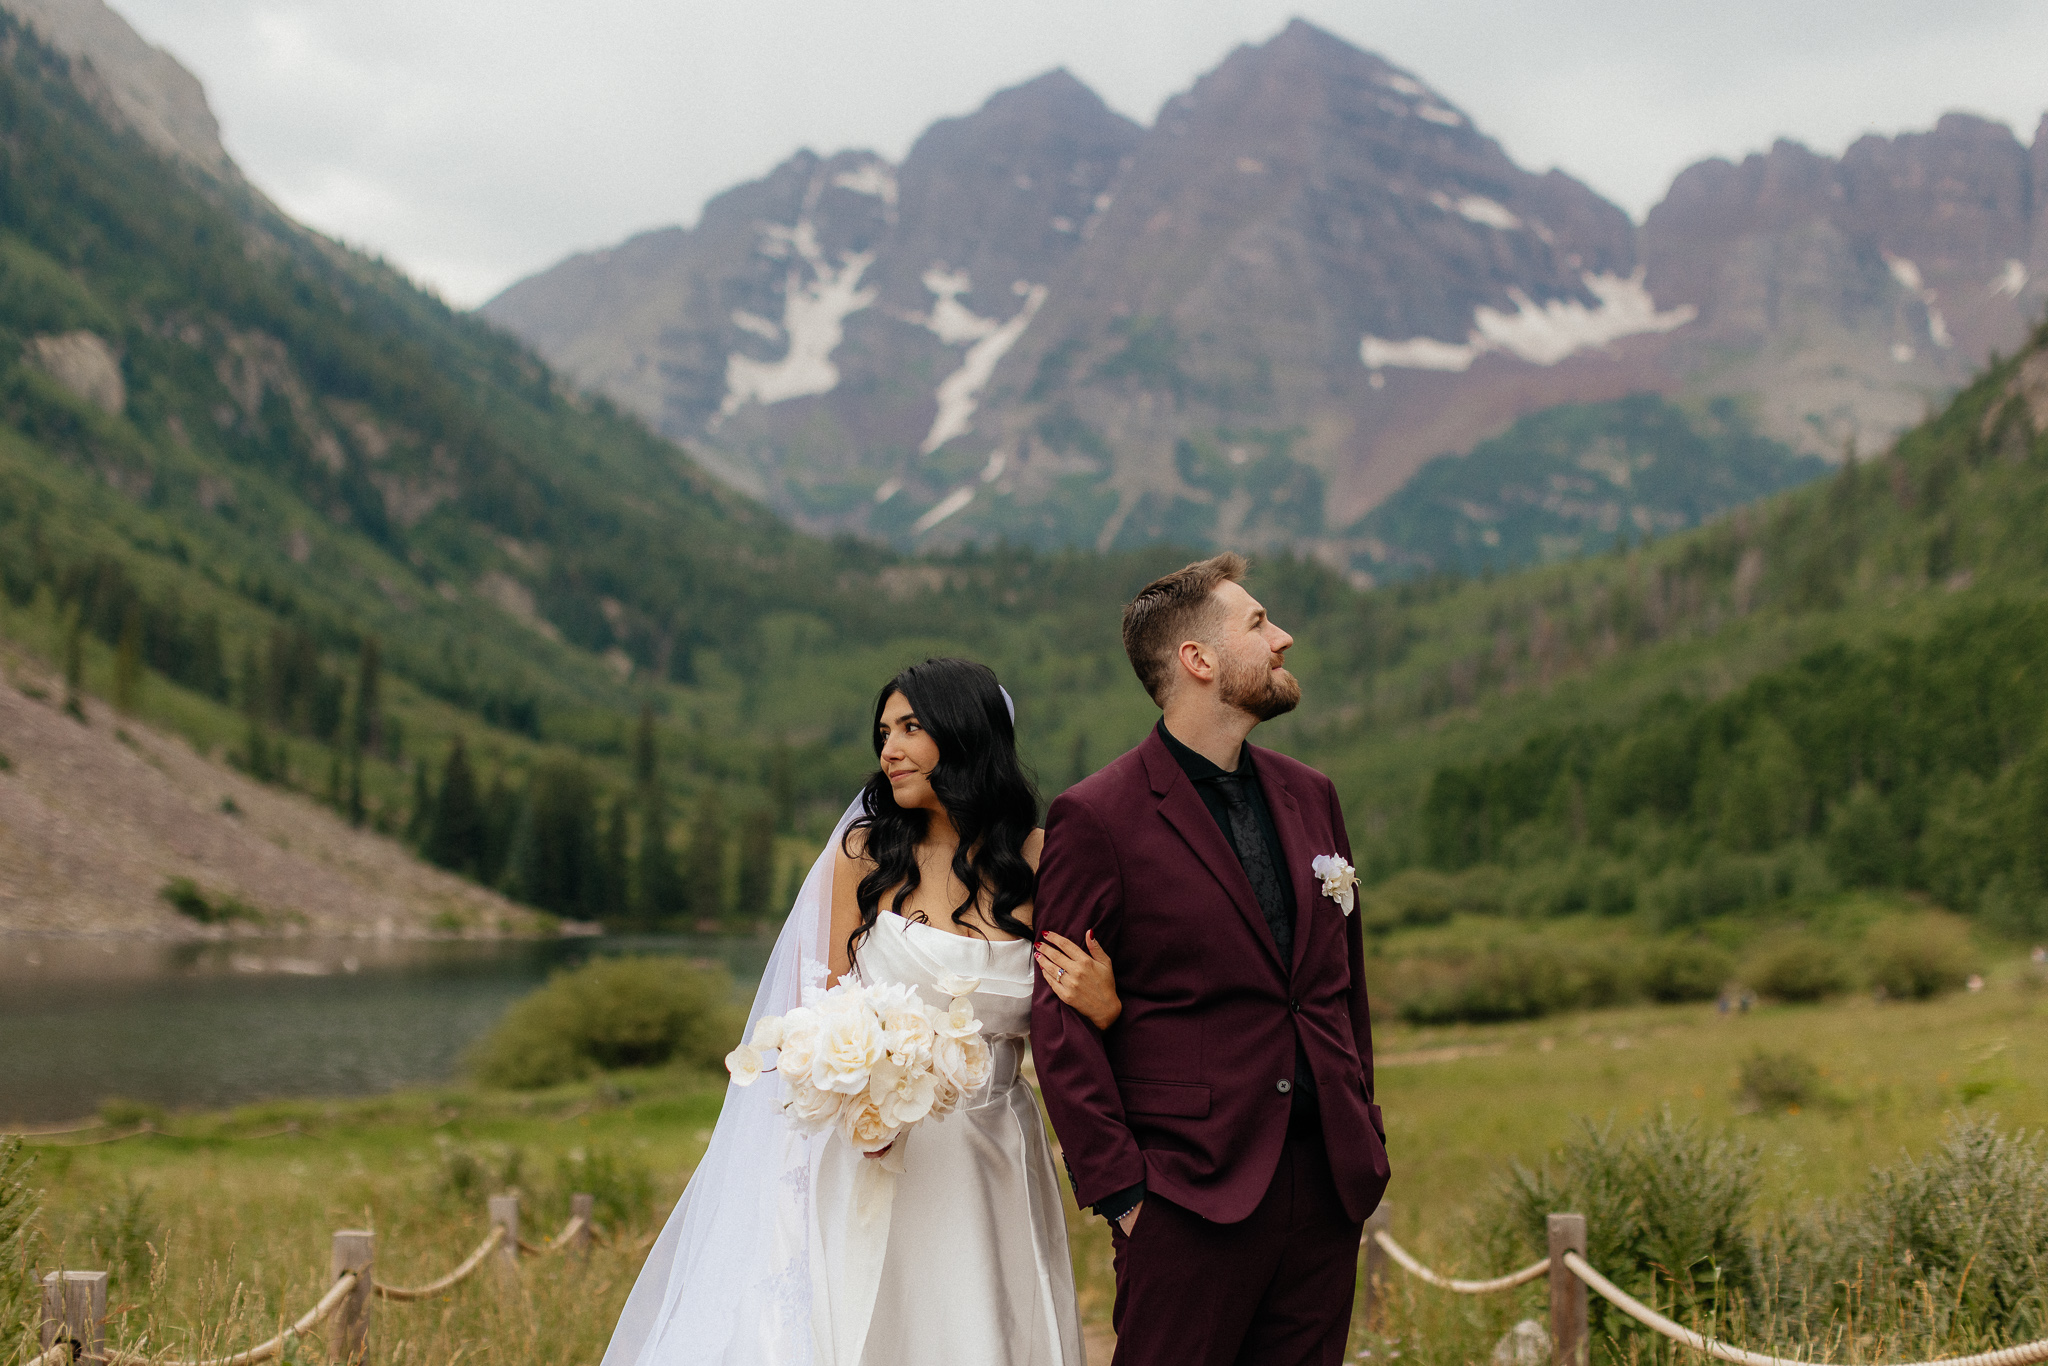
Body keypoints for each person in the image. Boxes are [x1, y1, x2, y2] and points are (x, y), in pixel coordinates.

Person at [601, 657, 1116, 1366]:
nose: (889, 750)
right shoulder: (866, 853)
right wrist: (854, 1101)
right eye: (883, 732)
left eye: (911, 727)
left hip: (994, 1151)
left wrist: (1107, 1002)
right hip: (878, 1150)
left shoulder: (1041, 860)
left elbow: (1077, 999)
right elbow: (822, 1004)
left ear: (965, 734)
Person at [1031, 554, 1390, 1366]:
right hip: (1187, 1196)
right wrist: (1122, 1192)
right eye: (1259, 624)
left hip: (1326, 1189)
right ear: (1197, 660)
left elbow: (1342, 989)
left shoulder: (1314, 794)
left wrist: (1362, 1125)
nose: (1283, 638)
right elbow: (1057, 1021)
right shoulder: (1097, 817)